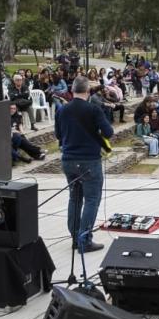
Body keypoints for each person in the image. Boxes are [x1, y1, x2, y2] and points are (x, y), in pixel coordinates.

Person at [54, 76, 114, 253]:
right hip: (89, 161)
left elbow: (58, 135)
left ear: (72, 91)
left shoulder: (62, 110)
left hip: (68, 160)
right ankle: (84, 239)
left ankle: (75, 237)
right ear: (88, 92)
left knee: (75, 198)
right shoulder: (93, 109)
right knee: (91, 200)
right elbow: (108, 132)